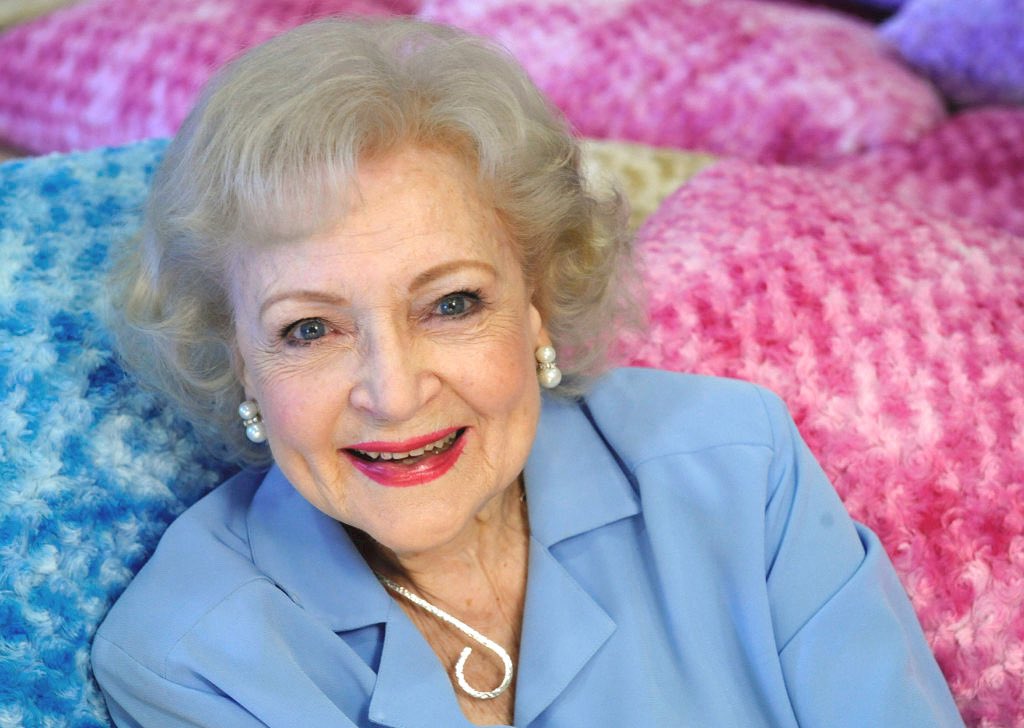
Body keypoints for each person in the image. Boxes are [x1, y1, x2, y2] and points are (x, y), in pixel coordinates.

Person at [91, 16, 965, 728]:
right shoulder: (190, 657)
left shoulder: (738, 470)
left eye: (451, 304)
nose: (394, 393)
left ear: (539, 298)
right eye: (310, 328)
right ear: (240, 362)